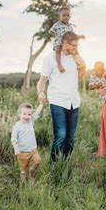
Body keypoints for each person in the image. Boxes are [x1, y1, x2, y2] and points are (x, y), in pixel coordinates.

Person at [37, 32, 82, 162]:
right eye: (73, 46)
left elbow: (81, 76)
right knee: (61, 134)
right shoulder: (50, 58)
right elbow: (42, 81)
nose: (75, 48)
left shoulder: (76, 57)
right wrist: (40, 92)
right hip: (57, 101)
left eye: (77, 45)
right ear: (65, 43)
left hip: (74, 101)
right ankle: (54, 165)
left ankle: (65, 164)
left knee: (71, 137)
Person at [11, 102, 43, 183]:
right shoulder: (17, 127)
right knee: (23, 170)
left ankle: (32, 172)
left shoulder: (31, 121)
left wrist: (41, 104)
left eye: (29, 114)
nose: (27, 116)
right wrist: (16, 148)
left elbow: (37, 112)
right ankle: (23, 185)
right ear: (19, 114)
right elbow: (13, 139)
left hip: (33, 150)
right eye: (24, 114)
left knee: (38, 160)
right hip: (22, 152)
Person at [49, 7, 86, 74]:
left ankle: (79, 63)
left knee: (75, 50)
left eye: (68, 15)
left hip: (69, 43)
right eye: (63, 15)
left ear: (70, 17)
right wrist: (55, 36)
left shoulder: (70, 26)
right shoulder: (57, 25)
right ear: (59, 16)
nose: (66, 17)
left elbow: (74, 35)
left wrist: (80, 36)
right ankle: (59, 65)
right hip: (60, 41)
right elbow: (51, 32)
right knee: (58, 49)